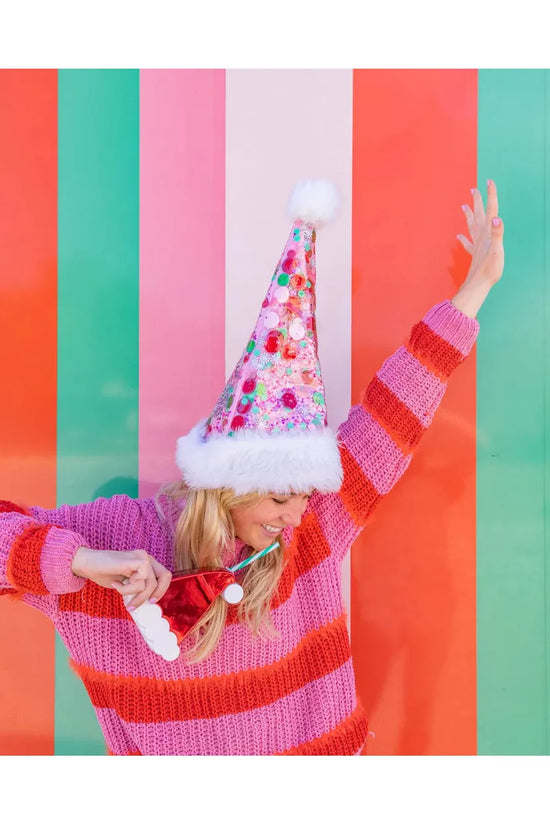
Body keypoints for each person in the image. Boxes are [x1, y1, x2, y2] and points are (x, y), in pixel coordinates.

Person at [0, 179, 504, 756]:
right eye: (278, 498)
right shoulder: (125, 537)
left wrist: (476, 288)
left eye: (303, 496)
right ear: (228, 486)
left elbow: (400, 404)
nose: (294, 517)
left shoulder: (316, 524)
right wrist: (83, 562)